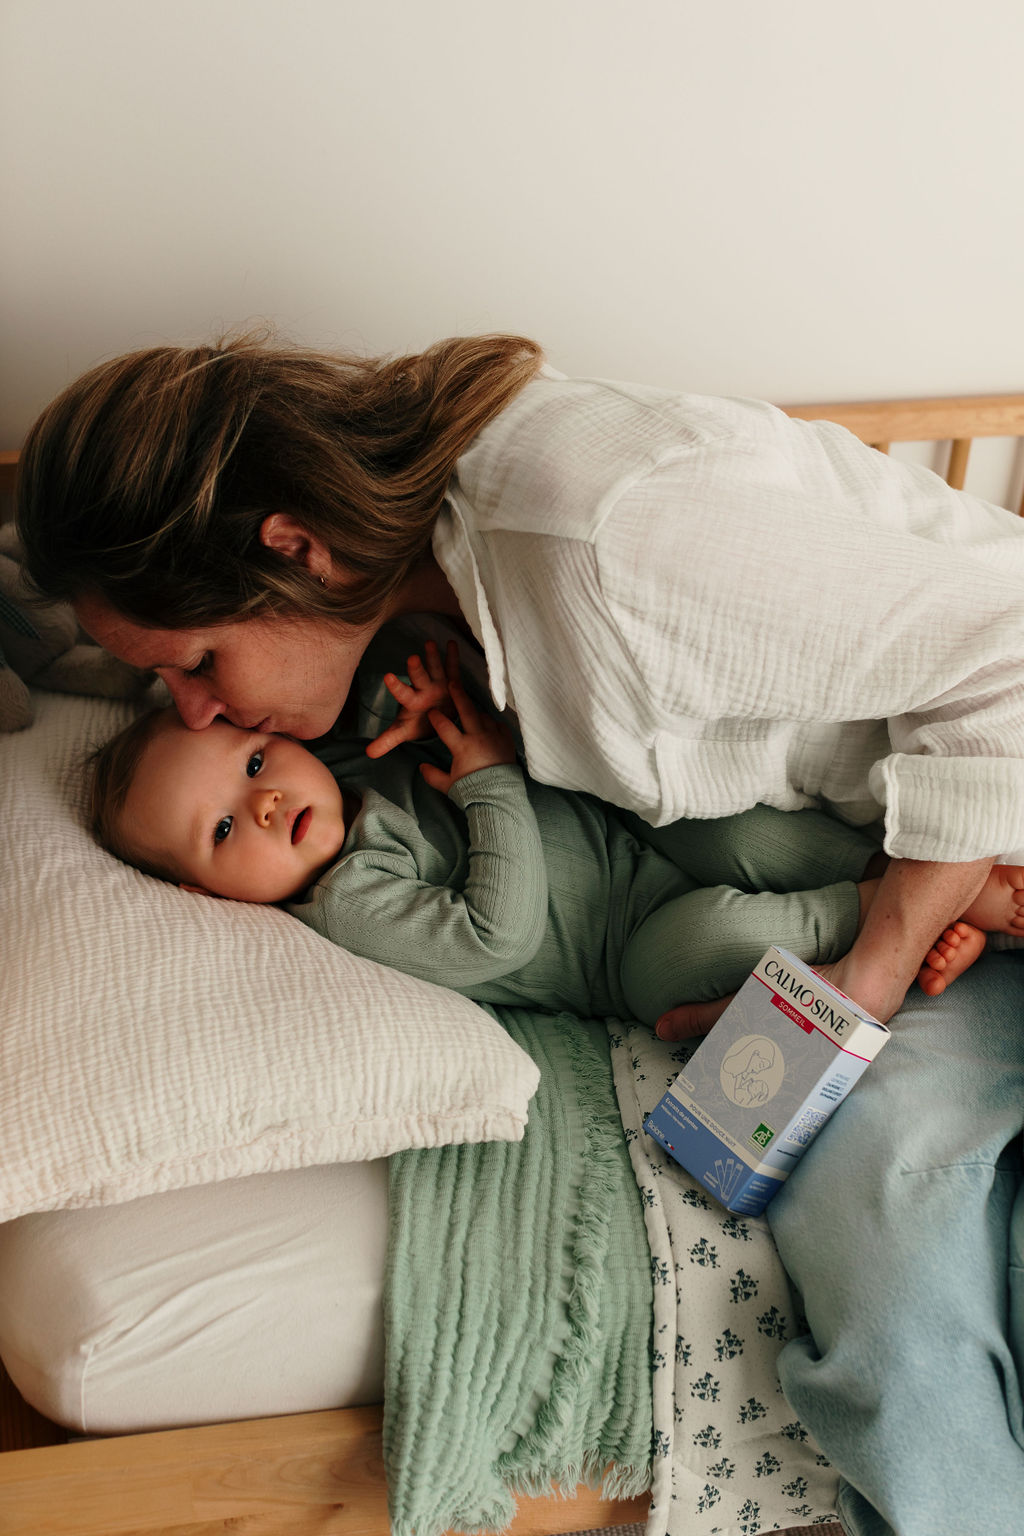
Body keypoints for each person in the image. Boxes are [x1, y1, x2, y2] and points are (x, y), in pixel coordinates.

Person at [16, 331, 1024, 1535]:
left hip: (971, 832)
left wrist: (865, 972)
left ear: (290, 547)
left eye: (197, 665)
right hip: (879, 848)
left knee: (896, 1260)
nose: (194, 706)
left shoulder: (610, 538)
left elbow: (1007, 646)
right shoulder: (408, 597)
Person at [84, 641, 1024, 1023]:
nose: (263, 804)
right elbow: (500, 933)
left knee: (730, 824)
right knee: (694, 942)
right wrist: (489, 782)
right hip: (623, 956)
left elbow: (397, 653)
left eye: (253, 765)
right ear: (204, 896)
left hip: (636, 840)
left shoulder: (347, 767)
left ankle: (930, 878)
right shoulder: (347, 904)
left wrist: (418, 693)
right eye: (219, 830)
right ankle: (869, 911)